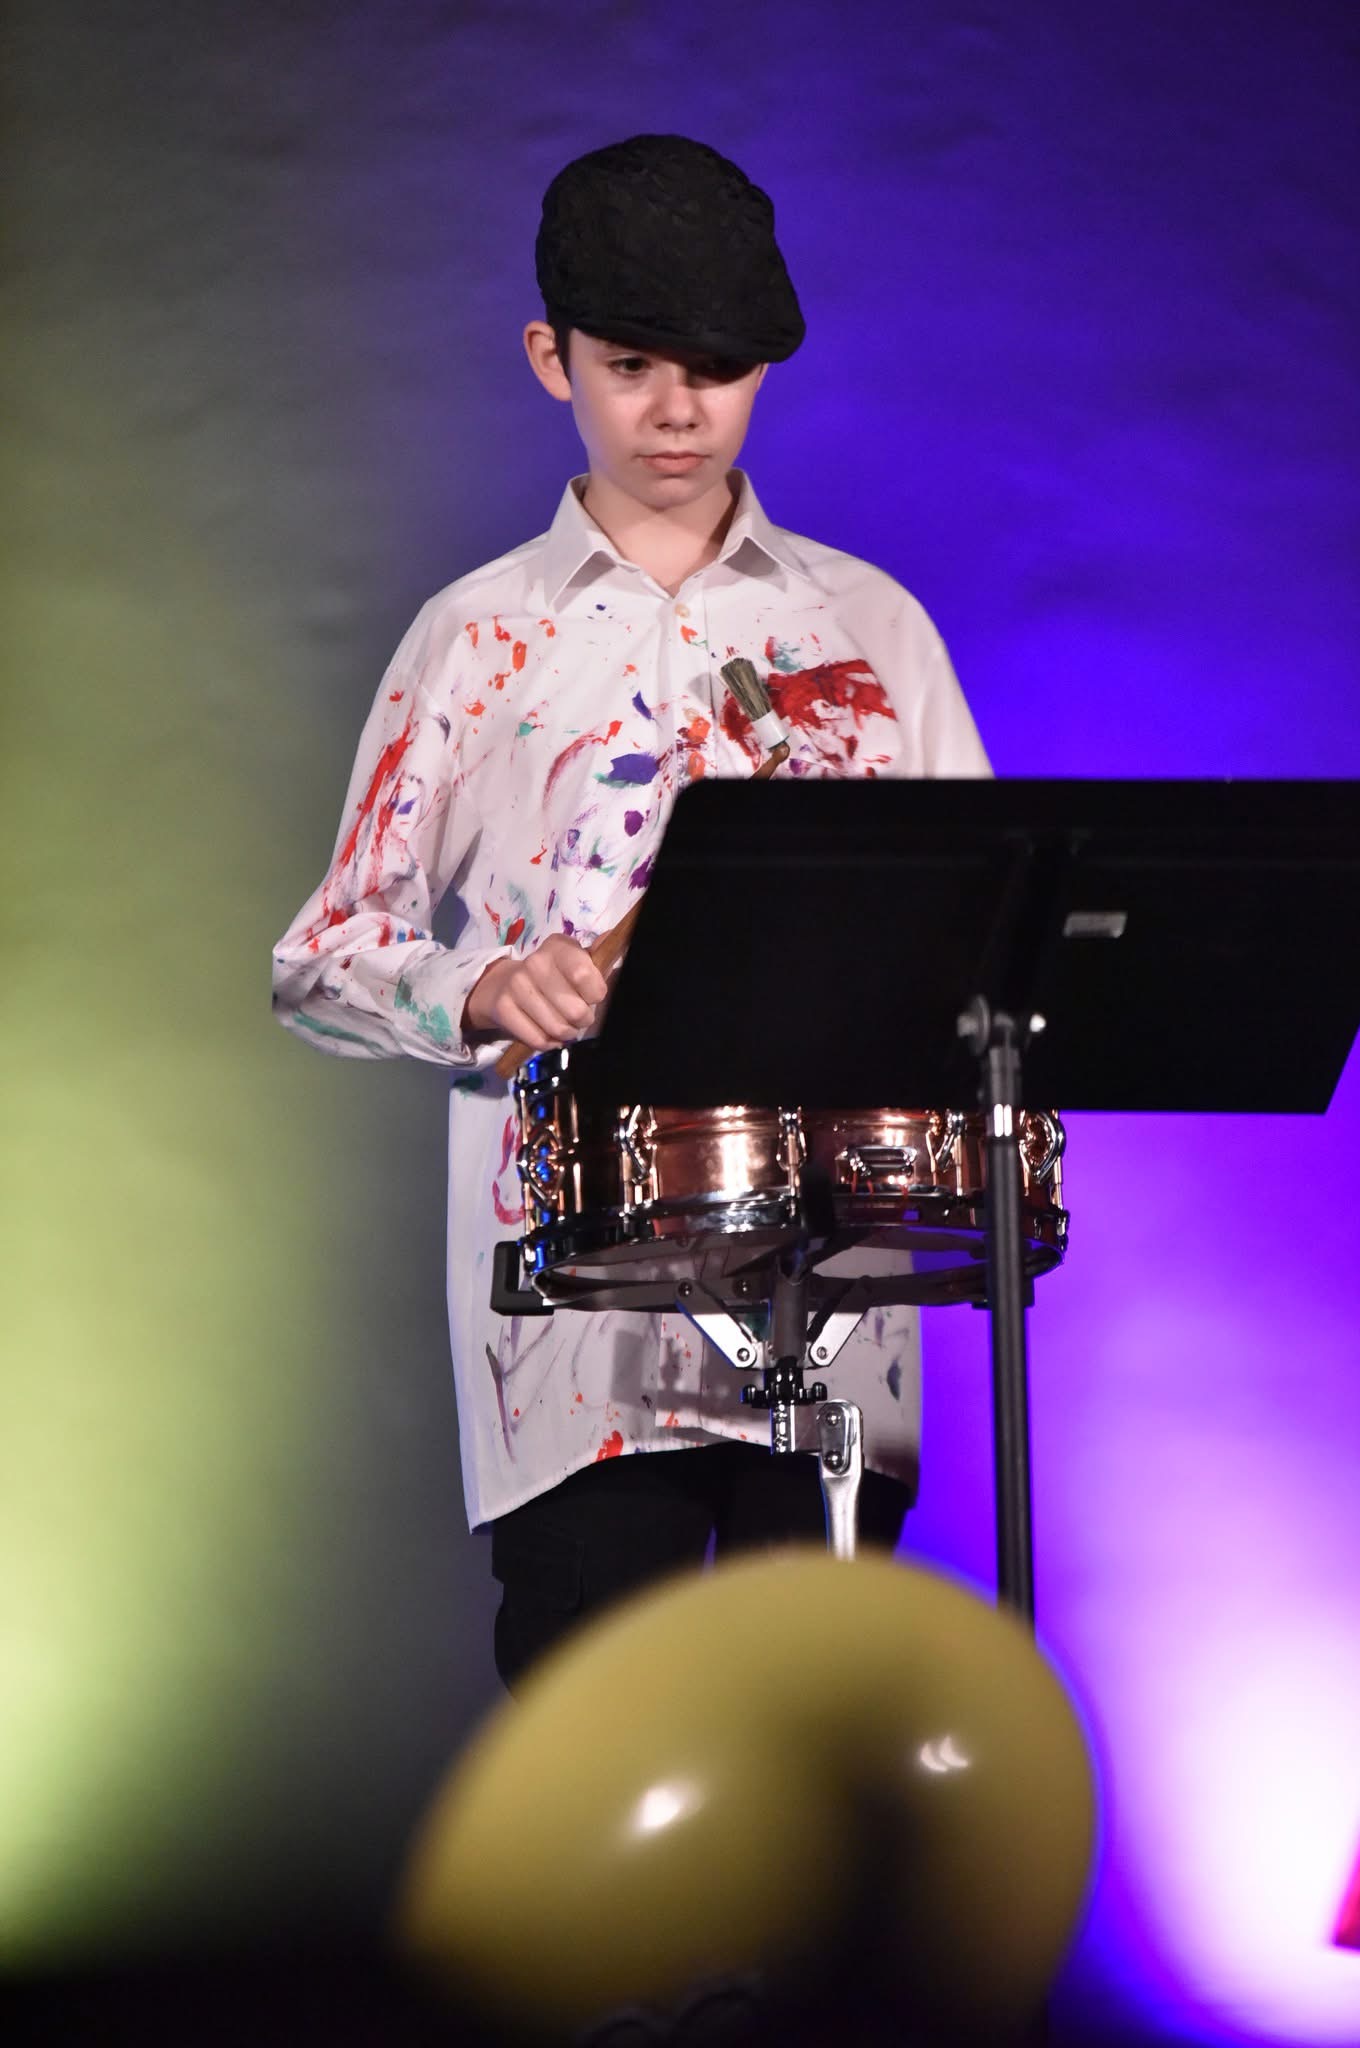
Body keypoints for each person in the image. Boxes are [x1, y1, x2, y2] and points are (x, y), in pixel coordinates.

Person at [272, 135, 991, 1689]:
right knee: (599, 1759)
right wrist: (481, 990)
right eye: (632, 364)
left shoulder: (872, 633)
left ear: (765, 371)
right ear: (553, 360)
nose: (676, 410)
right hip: (572, 1329)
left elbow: (978, 925)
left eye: (717, 368)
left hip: (841, 1298)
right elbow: (321, 955)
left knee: (816, 1755)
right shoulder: (474, 639)